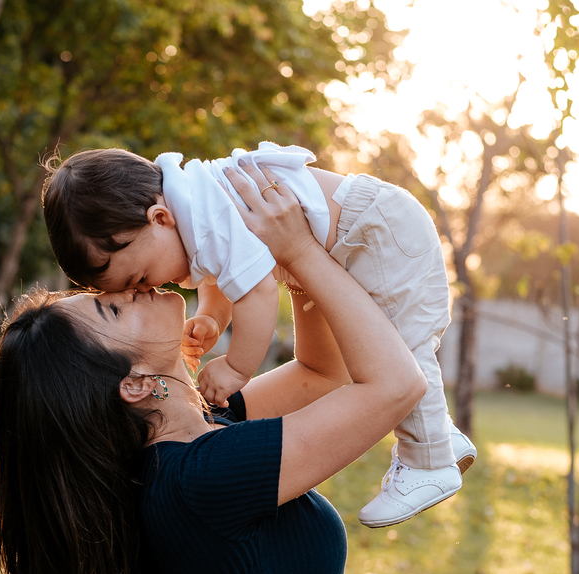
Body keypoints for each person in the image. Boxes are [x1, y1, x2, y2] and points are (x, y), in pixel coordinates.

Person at [0, 161, 426, 574]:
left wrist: (286, 255)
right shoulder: (203, 481)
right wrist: (299, 251)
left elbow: (320, 372)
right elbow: (395, 385)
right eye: (111, 308)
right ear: (135, 385)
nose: (132, 290)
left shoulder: (198, 440)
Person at [42, 142, 476, 528]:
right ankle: (434, 442)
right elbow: (230, 272)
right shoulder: (196, 474)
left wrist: (235, 363)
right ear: (132, 383)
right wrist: (285, 262)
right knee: (405, 345)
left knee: (406, 343)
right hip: (367, 231)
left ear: (159, 218)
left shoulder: (203, 214)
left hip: (373, 232)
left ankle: (430, 457)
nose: (145, 291)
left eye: (136, 280)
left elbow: (256, 293)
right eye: (119, 304)